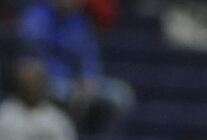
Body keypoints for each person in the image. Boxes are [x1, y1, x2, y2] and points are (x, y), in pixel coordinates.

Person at [17, 0, 134, 132]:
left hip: (76, 83)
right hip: (49, 80)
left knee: (120, 94)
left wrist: (89, 81)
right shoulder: (37, 16)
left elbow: (88, 57)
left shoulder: (80, 21)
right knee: (61, 90)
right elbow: (34, 57)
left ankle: (100, 137)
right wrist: (75, 87)